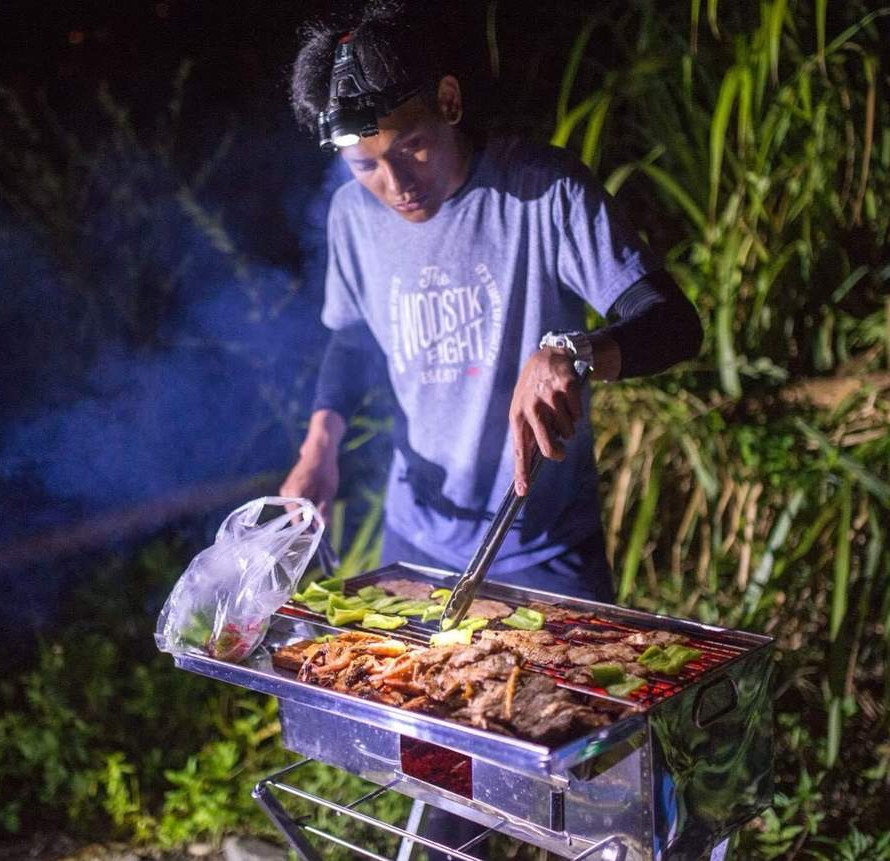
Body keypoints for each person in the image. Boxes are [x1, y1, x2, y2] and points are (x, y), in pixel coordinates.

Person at [279, 4, 703, 857]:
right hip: (418, 545)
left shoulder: (540, 191)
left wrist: (577, 351)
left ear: (447, 98)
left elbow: (671, 323)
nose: (395, 185)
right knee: (440, 772)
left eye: (412, 147)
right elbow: (350, 336)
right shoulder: (353, 218)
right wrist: (318, 445)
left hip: (540, 544)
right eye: (364, 165)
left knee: (604, 787)